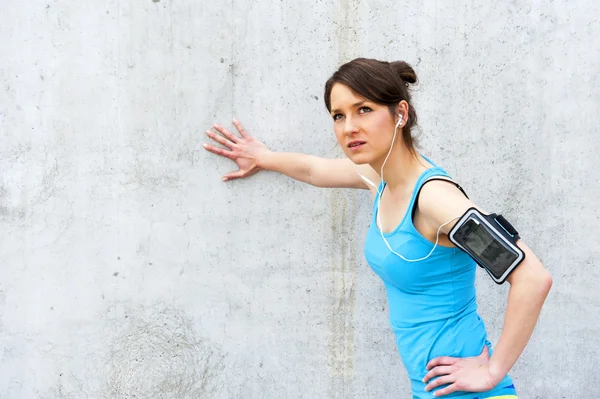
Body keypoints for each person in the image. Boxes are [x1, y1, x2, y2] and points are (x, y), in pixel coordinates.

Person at [203, 58, 552, 399]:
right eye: (338, 116)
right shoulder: (380, 179)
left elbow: (532, 277)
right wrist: (263, 157)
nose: (348, 127)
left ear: (399, 113)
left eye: (364, 109)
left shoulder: (434, 201)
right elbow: (315, 170)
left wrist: (492, 372)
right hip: (430, 390)